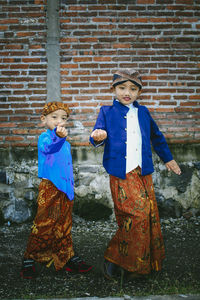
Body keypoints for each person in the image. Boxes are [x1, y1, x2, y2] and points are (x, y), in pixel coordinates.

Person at [89, 69, 181, 280]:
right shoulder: (106, 111)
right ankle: (113, 258)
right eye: (122, 88)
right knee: (135, 216)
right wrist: (97, 136)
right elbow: (97, 135)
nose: (127, 92)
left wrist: (168, 159)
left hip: (143, 172)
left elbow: (157, 137)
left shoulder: (144, 113)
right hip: (121, 174)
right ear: (113, 89)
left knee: (147, 216)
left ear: (139, 92)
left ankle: (137, 264)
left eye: (132, 88)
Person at [20, 101, 92, 279]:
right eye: (54, 117)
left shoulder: (65, 142)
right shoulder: (45, 137)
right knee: (44, 224)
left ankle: (66, 257)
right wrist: (59, 138)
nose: (59, 121)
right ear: (43, 119)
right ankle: (29, 259)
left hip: (65, 189)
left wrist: (70, 188)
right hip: (50, 188)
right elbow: (49, 148)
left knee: (64, 224)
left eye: (63, 118)